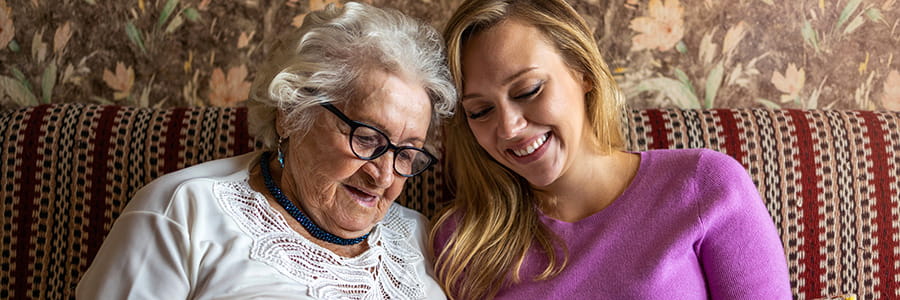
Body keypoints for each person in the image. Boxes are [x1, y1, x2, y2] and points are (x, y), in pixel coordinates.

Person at [76, 2, 455, 299]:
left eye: (406, 153)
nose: (384, 175)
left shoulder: (419, 238)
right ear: (291, 114)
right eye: (367, 138)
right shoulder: (183, 212)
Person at [430, 0, 791, 299]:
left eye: (528, 90)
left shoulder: (704, 183)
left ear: (582, 72)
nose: (509, 127)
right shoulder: (462, 241)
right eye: (480, 111)